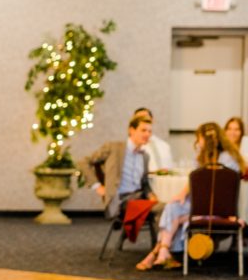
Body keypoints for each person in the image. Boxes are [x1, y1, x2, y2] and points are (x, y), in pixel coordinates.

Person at [136, 122, 246, 270]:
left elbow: (209, 186)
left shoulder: (225, 159)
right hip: (210, 207)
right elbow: (195, 181)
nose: (197, 142)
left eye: (199, 138)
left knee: (174, 213)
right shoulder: (214, 157)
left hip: (217, 210)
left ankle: (158, 251)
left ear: (205, 140)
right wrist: (182, 194)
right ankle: (164, 251)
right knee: (173, 207)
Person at [77, 115, 158, 220]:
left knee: (166, 207)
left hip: (139, 197)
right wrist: (97, 186)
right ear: (131, 130)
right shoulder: (114, 148)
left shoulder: (145, 156)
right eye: (143, 130)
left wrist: (151, 195)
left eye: (150, 131)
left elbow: (144, 183)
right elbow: (83, 162)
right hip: (120, 200)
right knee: (163, 209)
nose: (147, 134)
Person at [133, 107, 175, 172]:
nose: (143, 121)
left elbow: (170, 168)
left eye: (145, 118)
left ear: (152, 120)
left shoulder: (164, 145)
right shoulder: (131, 147)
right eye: (139, 119)